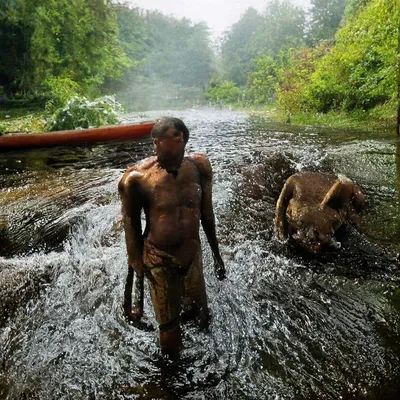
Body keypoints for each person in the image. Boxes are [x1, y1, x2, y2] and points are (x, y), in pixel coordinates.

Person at [118, 117, 225, 355]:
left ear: (180, 139)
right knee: (168, 330)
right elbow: (130, 225)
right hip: (159, 259)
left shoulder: (199, 167)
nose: (155, 148)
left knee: (201, 316)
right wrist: (136, 276)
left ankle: (206, 364)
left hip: (191, 254)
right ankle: (170, 378)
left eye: (159, 142)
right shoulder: (136, 179)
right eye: (154, 143)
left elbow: (207, 215)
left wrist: (217, 256)